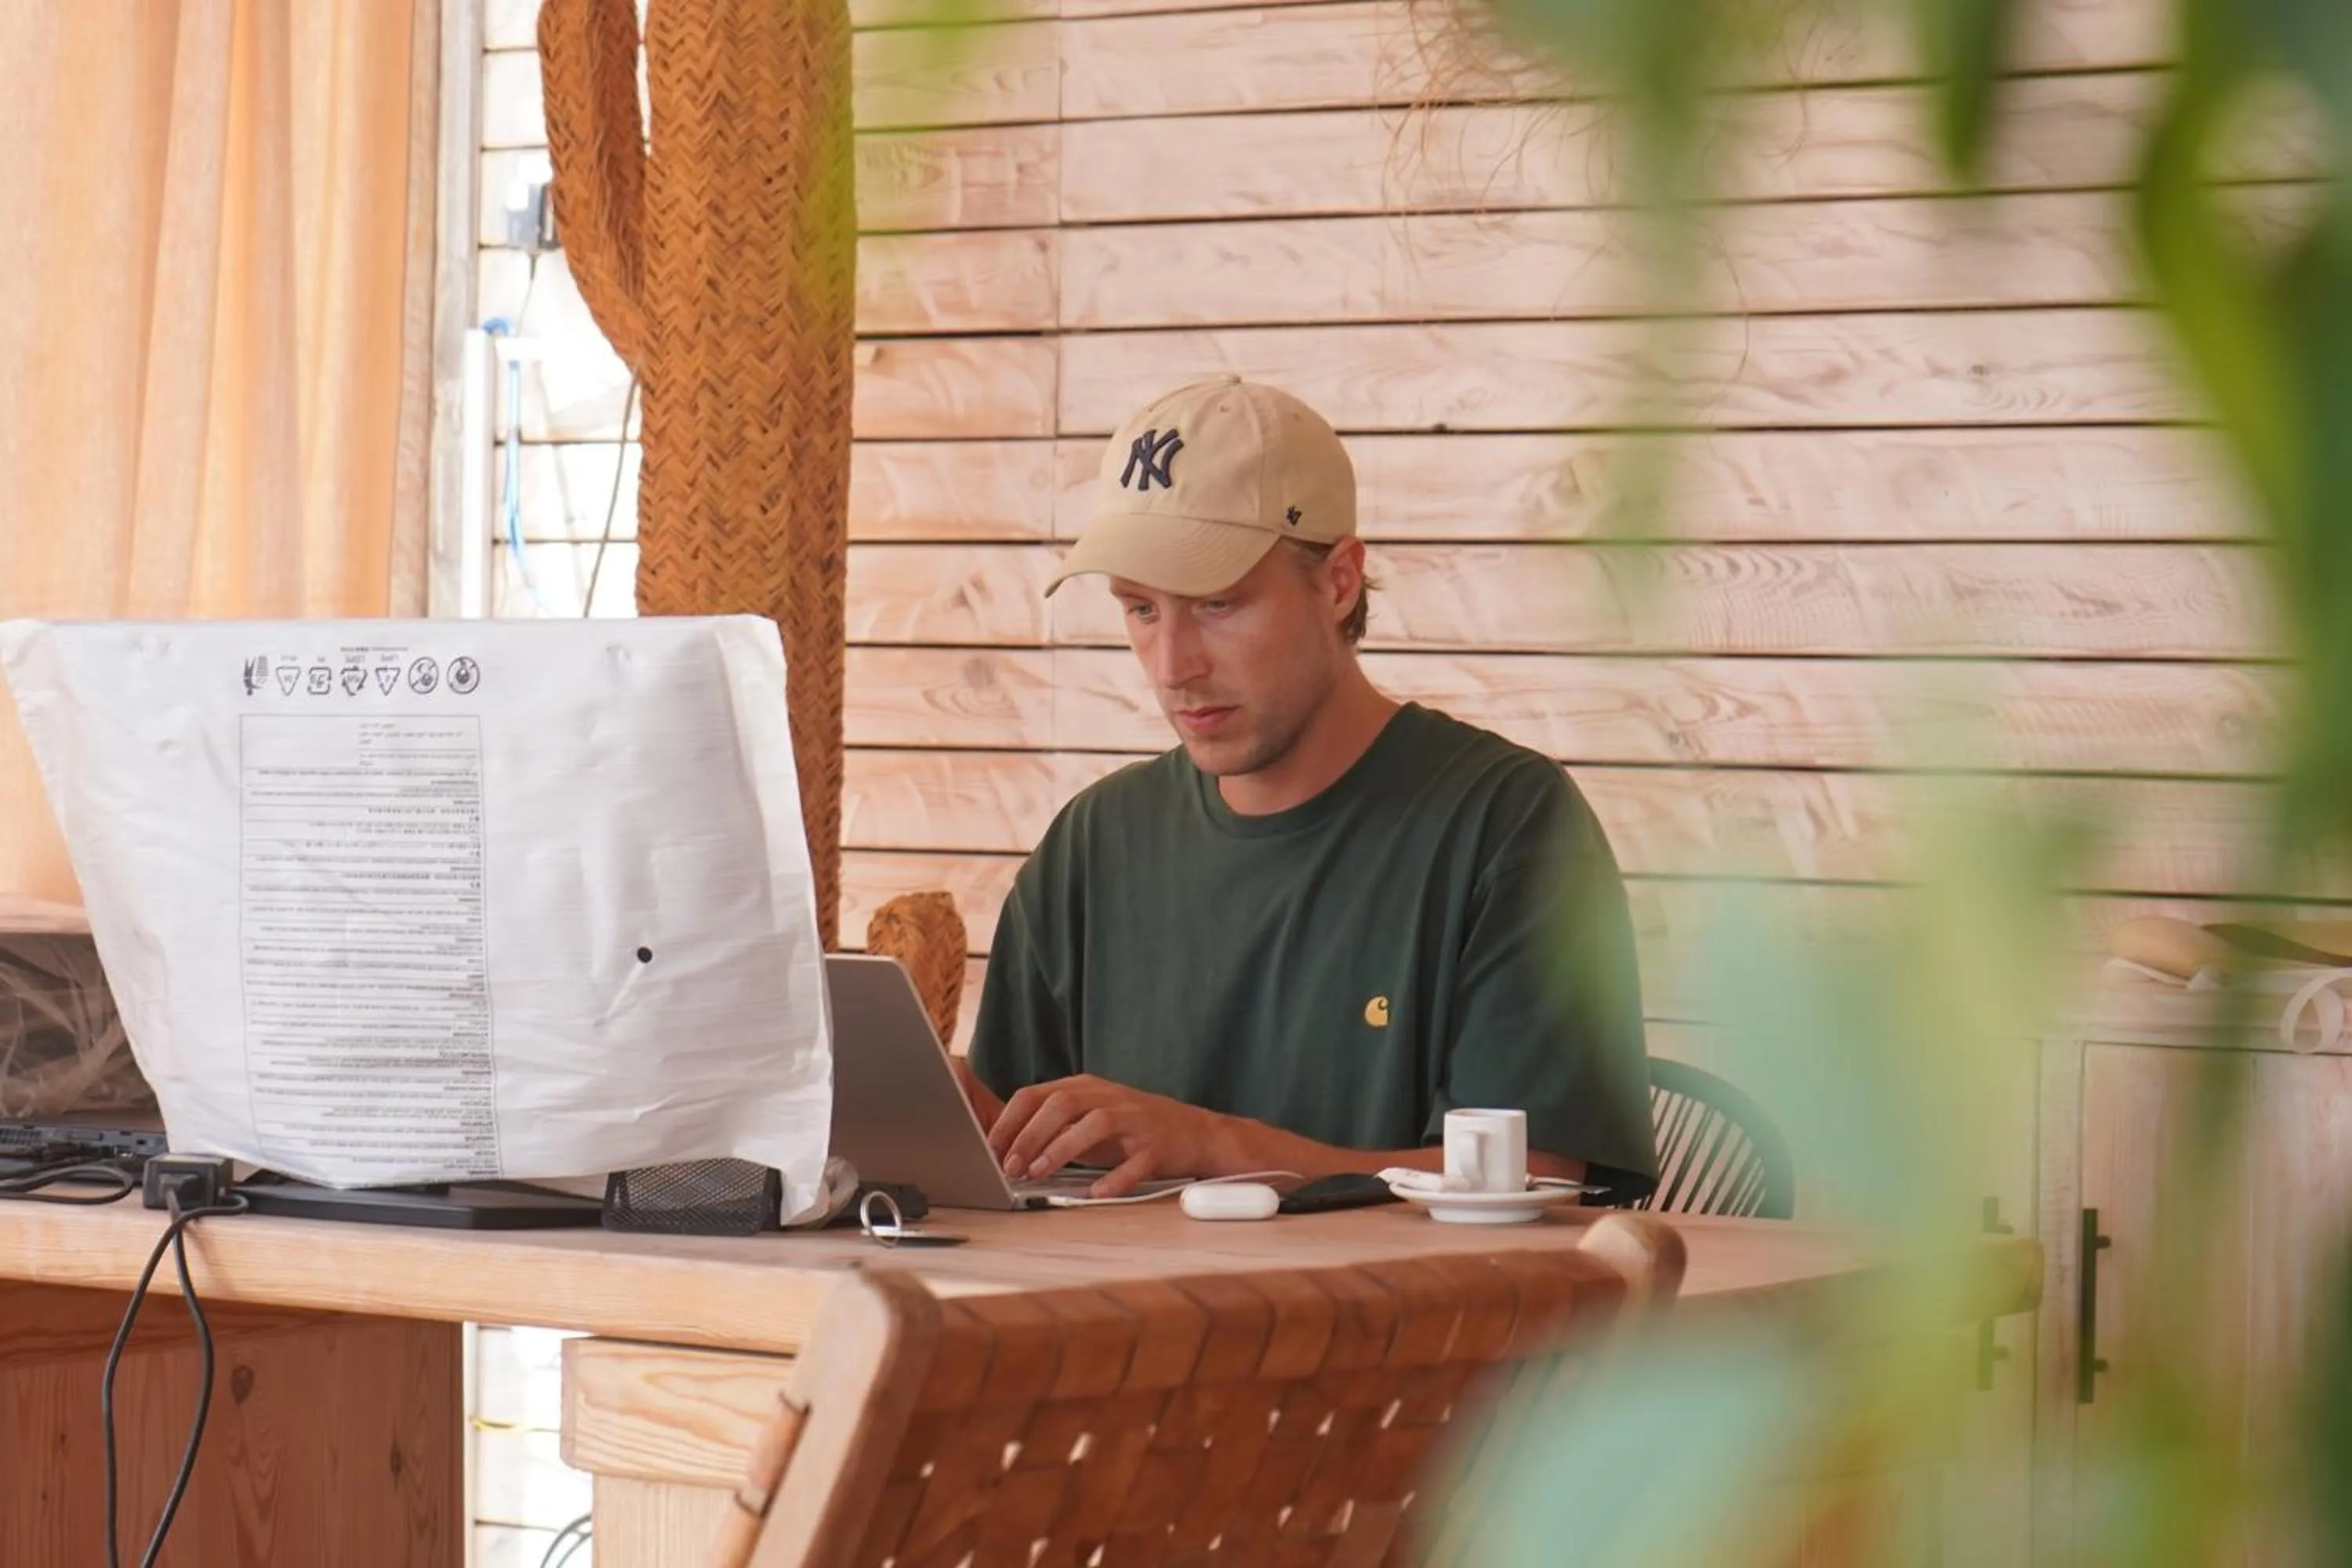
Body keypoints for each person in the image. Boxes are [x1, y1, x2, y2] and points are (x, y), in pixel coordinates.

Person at [956, 376, 1659, 1201]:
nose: (1172, 665)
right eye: (1141, 609)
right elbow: (1009, 1153)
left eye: (1218, 603)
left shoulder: (1506, 826)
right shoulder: (1094, 840)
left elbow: (1537, 1180)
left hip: (1411, 1329)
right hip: (1111, 1325)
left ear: (1339, 582)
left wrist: (1210, 1143)